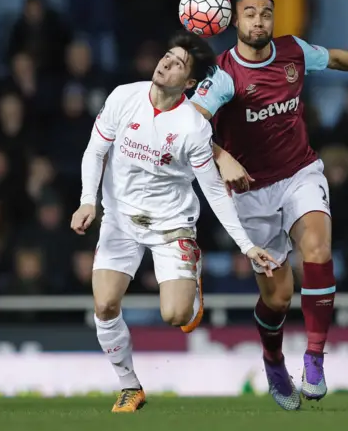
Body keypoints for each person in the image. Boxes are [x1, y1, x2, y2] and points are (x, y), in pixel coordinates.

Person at [190, 0, 348, 410]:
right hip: (249, 193)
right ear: (235, 23)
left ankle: (315, 357)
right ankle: (273, 359)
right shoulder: (223, 75)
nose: (259, 21)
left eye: (266, 13)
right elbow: (188, 128)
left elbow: (335, 58)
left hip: (300, 173)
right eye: (250, 14)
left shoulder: (292, 51)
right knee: (278, 298)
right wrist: (221, 154)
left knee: (318, 248)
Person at [70, 30, 278, 413]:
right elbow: (94, 151)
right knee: (104, 305)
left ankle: (192, 283)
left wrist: (247, 246)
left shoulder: (193, 128)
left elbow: (214, 191)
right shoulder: (123, 96)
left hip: (171, 227)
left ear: (191, 82)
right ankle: (130, 386)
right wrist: (88, 201)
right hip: (119, 220)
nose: (166, 63)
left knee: (176, 316)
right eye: (167, 55)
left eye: (178, 63)